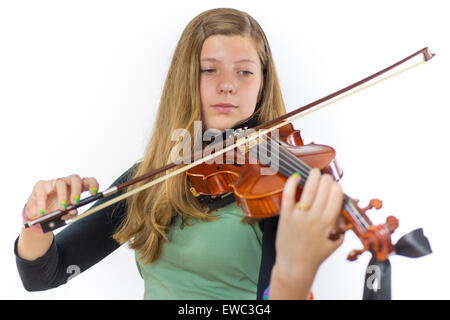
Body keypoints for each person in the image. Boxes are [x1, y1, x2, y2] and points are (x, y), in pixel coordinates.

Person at [14, 7, 344, 300]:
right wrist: (36, 223)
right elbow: (45, 275)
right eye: (209, 69)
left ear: (262, 86)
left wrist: (295, 276)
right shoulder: (150, 178)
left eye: (244, 71)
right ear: (185, 80)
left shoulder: (278, 186)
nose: (228, 84)